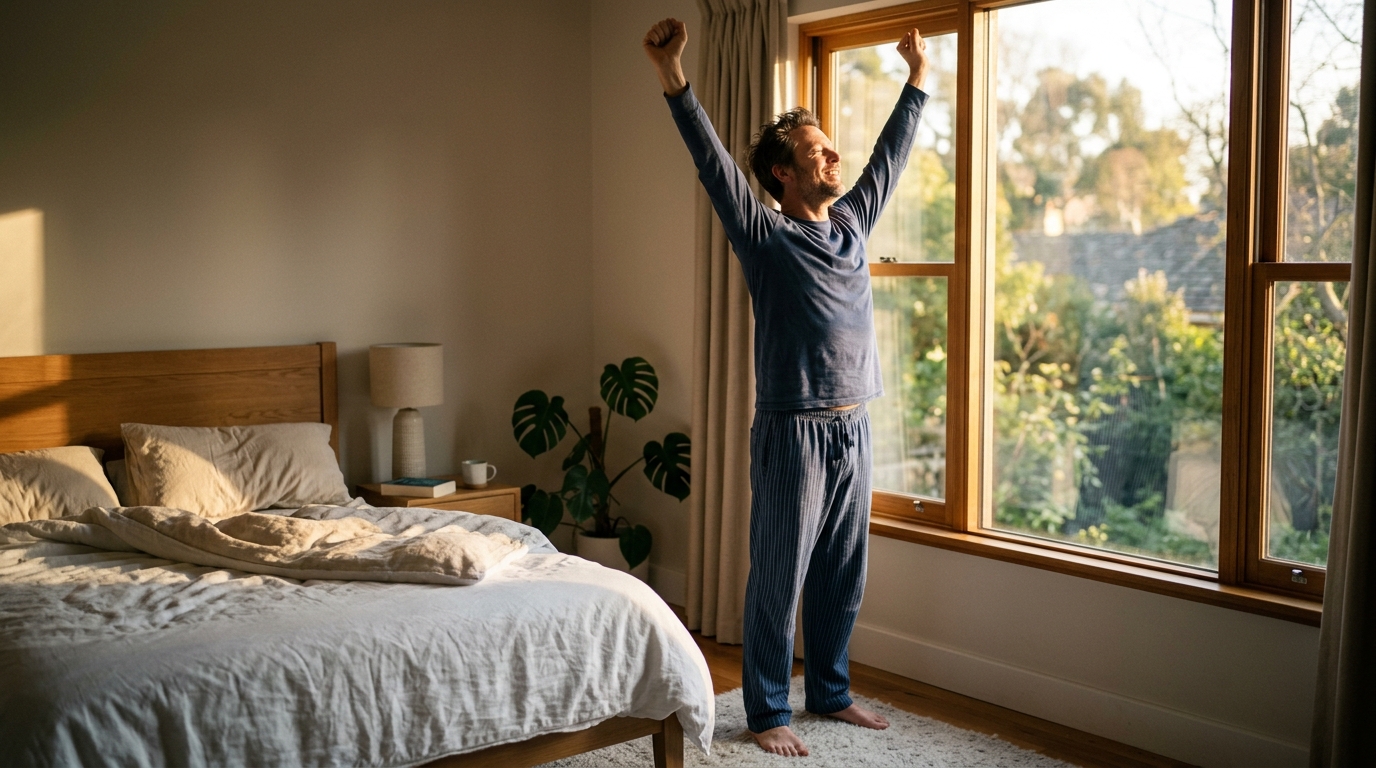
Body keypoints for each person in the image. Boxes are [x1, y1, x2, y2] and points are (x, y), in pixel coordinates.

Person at [643, 17, 929, 758]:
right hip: (792, 430)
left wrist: (917, 81)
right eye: (815, 151)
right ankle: (768, 709)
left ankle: (829, 694)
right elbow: (711, 164)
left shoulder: (853, 225)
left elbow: (889, 158)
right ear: (783, 174)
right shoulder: (765, 236)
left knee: (842, 574)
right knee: (779, 576)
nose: (834, 157)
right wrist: (673, 75)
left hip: (853, 425)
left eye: (831, 148)